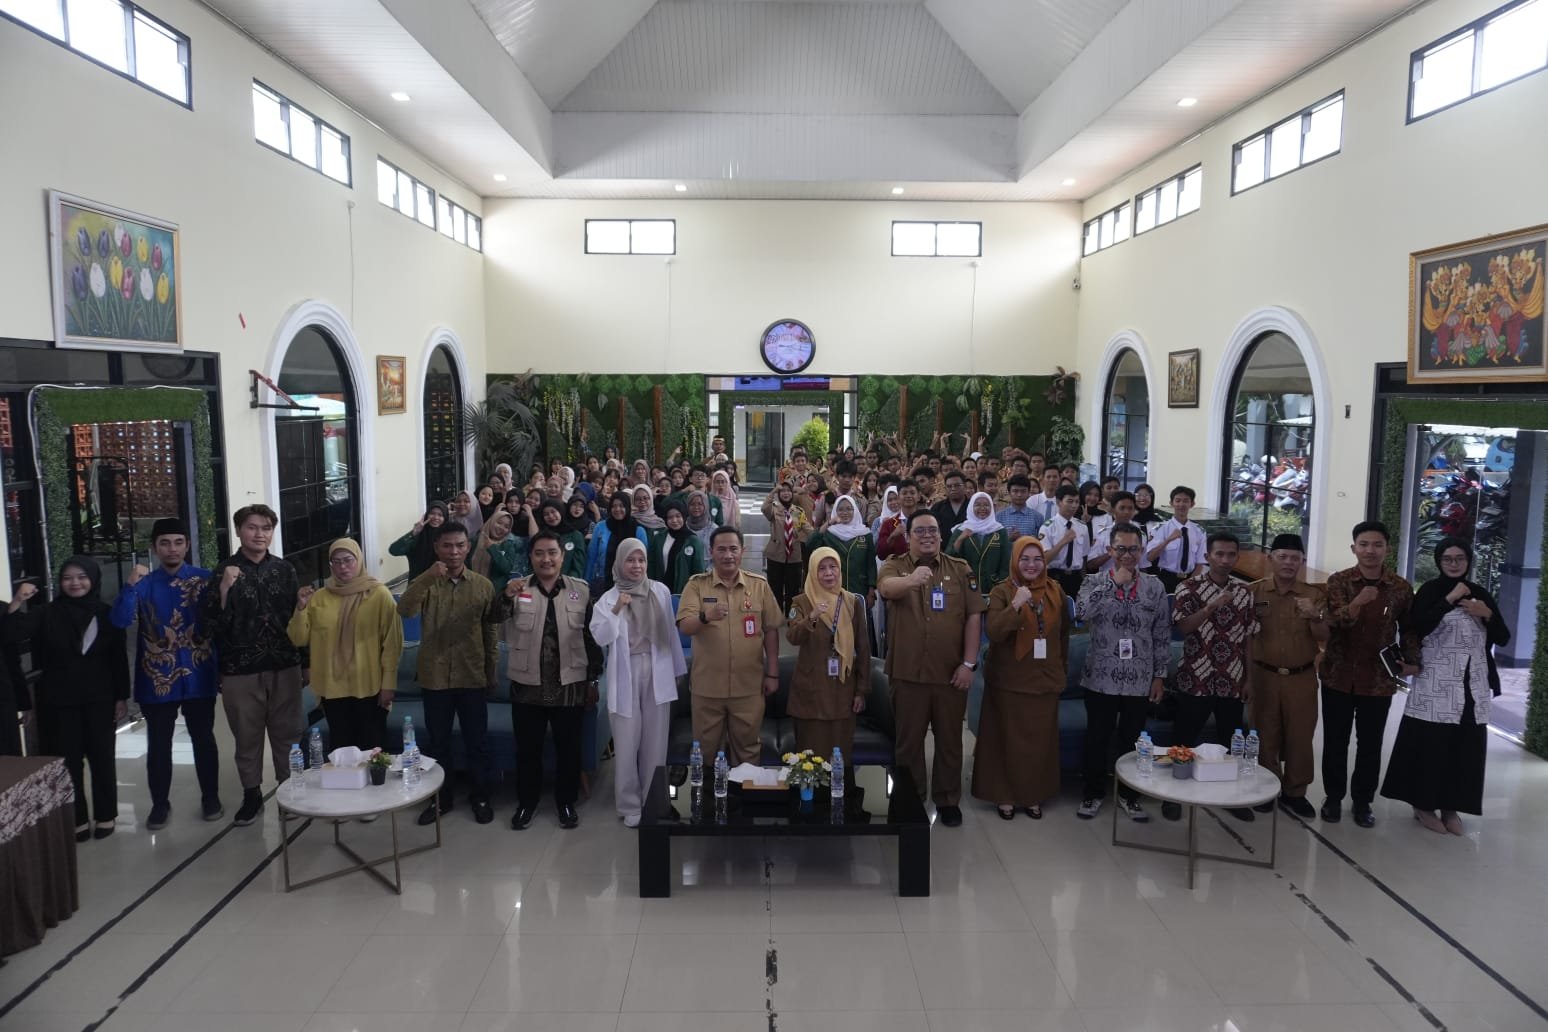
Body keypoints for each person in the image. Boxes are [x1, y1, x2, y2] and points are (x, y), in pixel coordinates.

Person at [1382, 538, 1507, 835]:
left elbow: (1503, 637)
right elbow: (1418, 627)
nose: (1454, 563)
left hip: (1472, 685)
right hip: (1436, 683)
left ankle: (1452, 807)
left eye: (1459, 558)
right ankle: (1423, 805)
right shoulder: (1430, 591)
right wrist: (1450, 599)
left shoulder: (1481, 594)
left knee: (1465, 748)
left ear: (1468, 561)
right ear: (1439, 561)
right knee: (1431, 746)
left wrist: (1486, 614)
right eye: (1447, 558)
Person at [6, 558, 128, 840]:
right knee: (68, 761)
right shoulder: (46, 612)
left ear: (93, 579)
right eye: (68, 578)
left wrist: (121, 697)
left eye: (82, 577)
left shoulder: (106, 613)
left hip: (100, 698)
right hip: (59, 700)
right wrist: (17, 601)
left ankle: (106, 814)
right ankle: (77, 819)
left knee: (102, 757)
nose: (75, 583)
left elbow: (118, 659)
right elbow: (13, 633)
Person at [877, 512, 986, 827]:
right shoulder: (896, 565)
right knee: (908, 744)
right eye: (920, 531)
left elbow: (974, 616)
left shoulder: (960, 569)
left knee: (950, 741)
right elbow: (886, 588)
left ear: (941, 535)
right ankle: (910, 800)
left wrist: (969, 664)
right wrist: (912, 580)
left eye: (933, 531)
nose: (927, 536)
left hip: (950, 673)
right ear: (908, 536)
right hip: (908, 673)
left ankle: (948, 799)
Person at [111, 518, 220, 829]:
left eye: (178, 542)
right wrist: (130, 585)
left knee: (204, 739)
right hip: (157, 679)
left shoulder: (204, 580)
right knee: (159, 744)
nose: (172, 549)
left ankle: (210, 797)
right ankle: (160, 803)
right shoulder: (144, 584)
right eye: (165, 543)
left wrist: (223, 669)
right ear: (154, 548)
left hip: (199, 673)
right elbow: (119, 621)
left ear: (187, 545)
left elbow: (220, 623)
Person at [397, 521, 502, 826]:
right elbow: (404, 610)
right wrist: (427, 577)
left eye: (459, 545)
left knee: (477, 741)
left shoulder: (482, 586)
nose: (453, 552)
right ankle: (441, 799)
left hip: (472, 675)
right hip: (435, 677)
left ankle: (480, 796)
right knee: (438, 742)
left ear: (468, 547)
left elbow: (490, 633)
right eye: (447, 546)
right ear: (437, 548)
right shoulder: (428, 582)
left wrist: (491, 671)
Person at [205, 504, 303, 828]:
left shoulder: (285, 570)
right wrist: (224, 590)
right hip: (240, 670)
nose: (259, 534)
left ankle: (290, 791)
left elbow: (300, 620)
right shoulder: (223, 571)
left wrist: (306, 663)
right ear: (238, 531)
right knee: (247, 737)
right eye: (252, 527)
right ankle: (252, 795)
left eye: (266, 528)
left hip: (284, 664)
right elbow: (208, 625)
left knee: (287, 734)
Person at [502, 531, 604, 830]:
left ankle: (566, 803)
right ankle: (527, 803)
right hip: (527, 685)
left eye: (552, 553)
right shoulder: (517, 589)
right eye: (539, 553)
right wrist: (505, 596)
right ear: (530, 557)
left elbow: (592, 639)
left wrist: (593, 681)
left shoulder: (580, 590)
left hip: (569, 685)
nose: (546, 559)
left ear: (562, 556)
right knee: (527, 750)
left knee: (569, 749)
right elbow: (494, 618)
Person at [1075, 523, 1170, 822]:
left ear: (1141, 551)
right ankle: (1093, 794)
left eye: (1133, 549)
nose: (1127, 555)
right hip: (1100, 677)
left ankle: (1130, 796)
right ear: (1109, 550)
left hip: (1139, 679)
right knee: (1097, 739)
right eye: (1120, 549)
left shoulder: (1154, 587)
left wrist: (1159, 676)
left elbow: (1162, 634)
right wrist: (1113, 584)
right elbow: (1081, 614)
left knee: (1132, 741)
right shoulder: (1093, 581)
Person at [1321, 520, 1413, 828]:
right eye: (1364, 544)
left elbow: (1409, 629)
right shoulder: (1339, 581)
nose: (1370, 550)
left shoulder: (1401, 587)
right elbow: (1335, 621)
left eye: (1377, 545)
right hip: (1338, 674)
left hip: (1378, 679)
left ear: (1387, 549)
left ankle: (1363, 802)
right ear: (1354, 548)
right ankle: (1333, 798)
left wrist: (1412, 660)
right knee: (1335, 741)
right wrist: (1357, 603)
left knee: (1371, 745)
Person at [592, 538, 687, 827]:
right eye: (630, 560)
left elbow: (671, 634)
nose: (636, 566)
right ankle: (629, 804)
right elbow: (600, 637)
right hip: (626, 672)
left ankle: (653, 801)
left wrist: (677, 671)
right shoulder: (608, 598)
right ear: (620, 563)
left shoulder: (660, 591)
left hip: (657, 670)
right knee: (626, 741)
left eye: (641, 560)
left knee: (656, 742)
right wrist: (617, 609)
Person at [1167, 532, 1260, 822]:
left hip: (1232, 678)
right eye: (1219, 554)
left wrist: (1249, 679)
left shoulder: (1245, 592)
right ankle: (1173, 796)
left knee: (1231, 741)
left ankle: (1232, 797)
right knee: (1183, 739)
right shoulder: (1188, 587)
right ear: (1208, 556)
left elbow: (1249, 638)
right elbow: (1183, 627)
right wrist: (1211, 607)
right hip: (1196, 677)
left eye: (1231, 554)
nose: (1225, 560)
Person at [973, 538, 1067, 820]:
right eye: (1024, 559)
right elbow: (994, 631)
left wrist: (1060, 671)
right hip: (1008, 681)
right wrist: (1016, 604)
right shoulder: (1002, 591)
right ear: (1014, 561)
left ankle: (1032, 795)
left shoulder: (1055, 591)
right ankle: (1005, 796)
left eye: (1037, 559)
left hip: (1044, 680)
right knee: (1006, 742)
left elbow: (1062, 637)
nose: (1031, 565)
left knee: (1039, 743)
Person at [677, 527, 782, 765]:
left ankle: (742, 790)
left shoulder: (758, 586)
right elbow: (685, 626)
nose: (728, 555)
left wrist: (773, 674)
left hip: (748, 686)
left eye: (733, 549)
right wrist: (706, 616)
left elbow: (771, 630)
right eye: (721, 549)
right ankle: (708, 790)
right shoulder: (696, 585)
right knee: (705, 752)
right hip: (708, 688)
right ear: (711, 551)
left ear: (742, 551)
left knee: (748, 751)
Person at [287, 538, 404, 753]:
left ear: (358, 560)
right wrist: (301, 609)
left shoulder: (379, 595)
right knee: (341, 753)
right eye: (336, 562)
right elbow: (298, 639)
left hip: (370, 687)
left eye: (348, 560)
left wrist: (388, 684)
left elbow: (392, 643)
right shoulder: (319, 598)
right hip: (333, 689)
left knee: (373, 752)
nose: (342, 567)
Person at [1249, 533, 1329, 819]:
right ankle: (1268, 787)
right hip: (1263, 674)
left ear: (1302, 562)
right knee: (1264, 734)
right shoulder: (1254, 592)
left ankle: (1296, 792)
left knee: (1300, 736)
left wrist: (1315, 616)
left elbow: (1325, 637)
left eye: (1295, 558)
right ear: (1270, 558)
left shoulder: (1314, 595)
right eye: (1282, 556)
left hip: (1301, 677)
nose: (1288, 562)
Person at [786, 546, 871, 774]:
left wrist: (861, 691)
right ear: (813, 572)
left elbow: (863, 649)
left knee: (840, 758)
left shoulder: (851, 602)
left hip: (842, 690)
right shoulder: (801, 602)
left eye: (833, 567)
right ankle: (809, 796)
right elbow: (792, 637)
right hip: (810, 693)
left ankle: (840, 795)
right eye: (822, 568)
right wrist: (812, 617)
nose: (828, 573)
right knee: (809, 760)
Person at [807, 495, 877, 601]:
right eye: (840, 509)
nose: (845, 512)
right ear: (835, 511)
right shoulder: (829, 533)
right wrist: (829, 523)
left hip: (859, 588)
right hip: (834, 589)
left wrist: (871, 591)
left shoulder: (865, 534)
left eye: (849, 509)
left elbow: (871, 564)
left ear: (855, 511)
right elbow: (810, 544)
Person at [763, 481, 813, 616]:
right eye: (783, 491)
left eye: (788, 491)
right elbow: (764, 508)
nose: (786, 493)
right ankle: (776, 615)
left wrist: (820, 536)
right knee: (775, 587)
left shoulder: (798, 512)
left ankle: (791, 616)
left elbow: (808, 529)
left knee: (793, 589)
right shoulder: (774, 509)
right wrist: (773, 491)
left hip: (794, 556)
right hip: (776, 554)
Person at [947, 491, 1010, 596]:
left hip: (993, 589)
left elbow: (1006, 561)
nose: (982, 508)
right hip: (966, 587)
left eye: (986, 505)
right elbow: (949, 558)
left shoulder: (999, 530)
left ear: (992, 507)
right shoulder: (961, 530)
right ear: (971, 507)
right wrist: (960, 539)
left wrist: (999, 583)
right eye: (978, 505)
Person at [586, 493, 648, 594]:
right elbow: (591, 557)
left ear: (627, 507)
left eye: (621, 506)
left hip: (630, 585)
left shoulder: (638, 531)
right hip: (602, 582)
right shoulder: (600, 527)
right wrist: (586, 582)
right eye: (614, 506)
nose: (617, 509)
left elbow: (644, 561)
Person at [1148, 486, 1205, 593]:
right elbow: (1150, 557)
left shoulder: (1199, 531)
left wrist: (1192, 581)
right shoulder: (1161, 528)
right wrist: (1168, 540)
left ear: (1192, 504)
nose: (1181, 504)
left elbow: (1200, 561)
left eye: (1186, 501)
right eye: (1178, 501)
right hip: (1167, 579)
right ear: (1171, 503)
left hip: (1190, 578)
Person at [1040, 484, 1090, 599]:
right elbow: (1045, 559)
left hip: (1076, 577)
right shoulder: (1048, 527)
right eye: (1070, 501)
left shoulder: (1082, 527)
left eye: (1077, 502)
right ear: (1059, 502)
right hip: (1055, 576)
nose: (1074, 505)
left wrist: (1083, 578)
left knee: (1075, 608)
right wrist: (1063, 541)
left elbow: (1084, 556)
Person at [648, 499, 705, 594]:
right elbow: (651, 565)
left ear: (684, 516)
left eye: (678, 516)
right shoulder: (658, 538)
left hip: (684, 594)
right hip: (660, 591)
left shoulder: (693, 541)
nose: (674, 520)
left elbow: (698, 572)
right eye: (670, 517)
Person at [471, 510, 526, 596]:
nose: (501, 528)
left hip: (495, 594)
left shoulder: (507, 545)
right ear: (492, 521)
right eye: (499, 523)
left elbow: (508, 569)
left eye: (506, 526)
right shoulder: (476, 540)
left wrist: (492, 548)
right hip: (472, 590)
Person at [389, 501, 447, 580]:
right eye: (432, 513)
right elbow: (393, 550)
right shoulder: (417, 537)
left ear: (445, 518)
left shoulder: (448, 537)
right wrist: (413, 533)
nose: (436, 517)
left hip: (442, 583)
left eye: (440, 515)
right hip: (417, 584)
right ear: (426, 515)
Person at [538, 499, 587, 578]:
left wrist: (565, 582)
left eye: (553, 512)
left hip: (568, 582)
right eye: (546, 514)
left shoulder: (575, 535)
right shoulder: (541, 536)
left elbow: (578, 566)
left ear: (560, 511)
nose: (550, 516)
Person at [996, 474, 1044, 542]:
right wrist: (1009, 539)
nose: (1019, 495)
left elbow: (1042, 542)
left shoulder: (1038, 517)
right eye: (1015, 491)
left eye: (1023, 491)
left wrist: (1032, 540)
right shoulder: (999, 517)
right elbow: (995, 543)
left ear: (1028, 492)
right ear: (1009, 492)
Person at [930, 470, 972, 535]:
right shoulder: (937, 508)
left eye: (957, 485)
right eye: (949, 486)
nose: (953, 489)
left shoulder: (973, 506)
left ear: (965, 486)